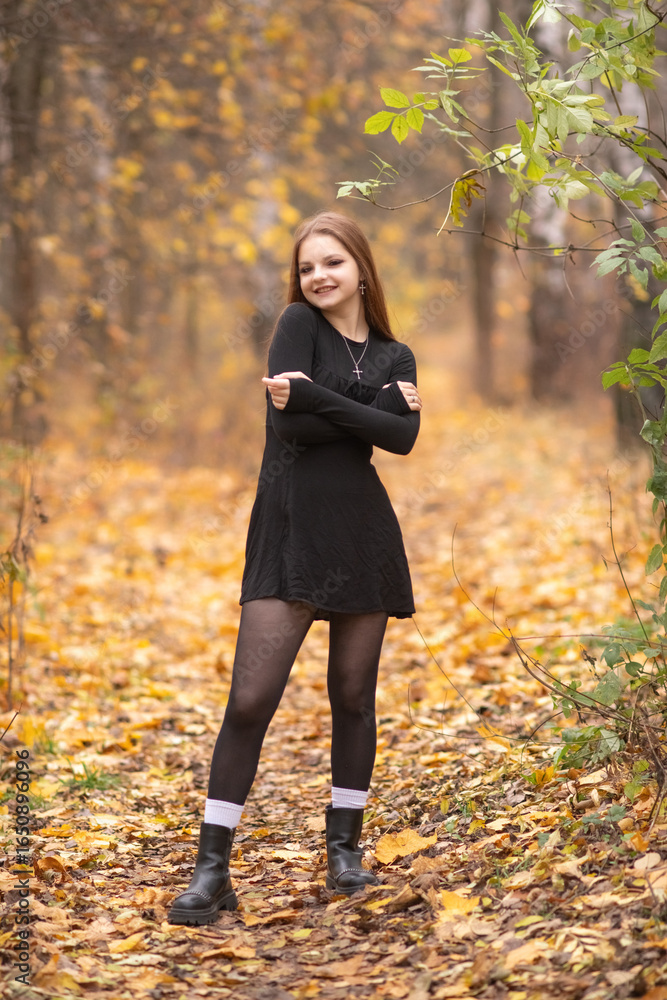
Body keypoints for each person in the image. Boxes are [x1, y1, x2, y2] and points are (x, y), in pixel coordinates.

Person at [168, 211, 421, 925]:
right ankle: (212, 870)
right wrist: (367, 408)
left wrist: (318, 396)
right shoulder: (296, 325)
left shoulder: (397, 354)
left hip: (362, 536)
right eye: (307, 266)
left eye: (332, 262)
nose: (318, 276)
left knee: (353, 697)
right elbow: (290, 426)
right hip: (287, 530)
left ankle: (344, 854)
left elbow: (402, 440)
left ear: (361, 269)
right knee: (250, 699)